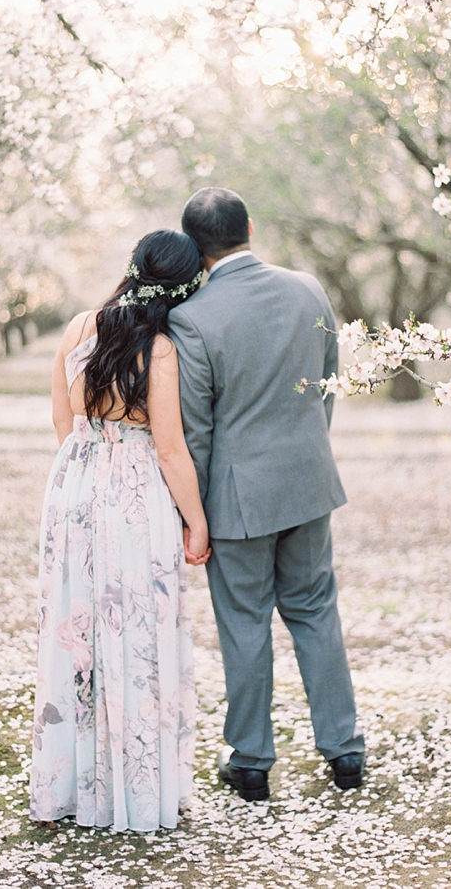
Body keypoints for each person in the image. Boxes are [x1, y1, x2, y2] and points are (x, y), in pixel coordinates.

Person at [169, 187, 365, 802]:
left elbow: (195, 431)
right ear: (249, 226)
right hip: (308, 483)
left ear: (194, 248)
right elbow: (327, 386)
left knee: (245, 623)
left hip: (236, 502)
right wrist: (307, 452)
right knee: (315, 610)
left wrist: (191, 514)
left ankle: (251, 761)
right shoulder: (308, 287)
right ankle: (345, 750)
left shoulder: (191, 317)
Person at [29, 230, 210, 833]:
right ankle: (130, 789)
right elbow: (170, 450)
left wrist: (85, 475)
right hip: (134, 496)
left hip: (73, 483)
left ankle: (72, 788)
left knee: (76, 631)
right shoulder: (158, 350)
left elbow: (62, 415)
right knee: (134, 635)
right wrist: (197, 523)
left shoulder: (80, 324)